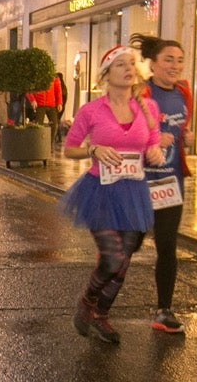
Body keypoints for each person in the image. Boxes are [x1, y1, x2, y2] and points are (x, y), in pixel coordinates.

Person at [60, 45, 165, 344]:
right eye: (120, 65)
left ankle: (101, 315)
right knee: (112, 257)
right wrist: (93, 150)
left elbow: (152, 143)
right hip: (100, 192)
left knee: (124, 260)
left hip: (134, 192)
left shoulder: (148, 108)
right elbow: (70, 149)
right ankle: (87, 301)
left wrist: (155, 152)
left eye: (131, 64)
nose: (128, 69)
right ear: (106, 74)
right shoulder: (91, 110)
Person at [134, 34, 194, 334]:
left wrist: (186, 139)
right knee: (128, 245)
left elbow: (182, 127)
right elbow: (125, 132)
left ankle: (164, 310)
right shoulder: (141, 94)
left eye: (180, 60)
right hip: (139, 181)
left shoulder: (184, 92)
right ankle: (97, 303)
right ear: (153, 64)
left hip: (171, 181)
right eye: (168, 59)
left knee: (167, 245)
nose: (175, 65)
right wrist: (152, 139)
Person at [28, 72, 67, 145]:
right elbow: (29, 89)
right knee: (38, 125)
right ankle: (38, 144)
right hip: (40, 104)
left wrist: (59, 103)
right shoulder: (36, 76)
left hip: (51, 104)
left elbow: (58, 90)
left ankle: (49, 144)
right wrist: (32, 100)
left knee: (54, 124)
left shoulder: (53, 77)